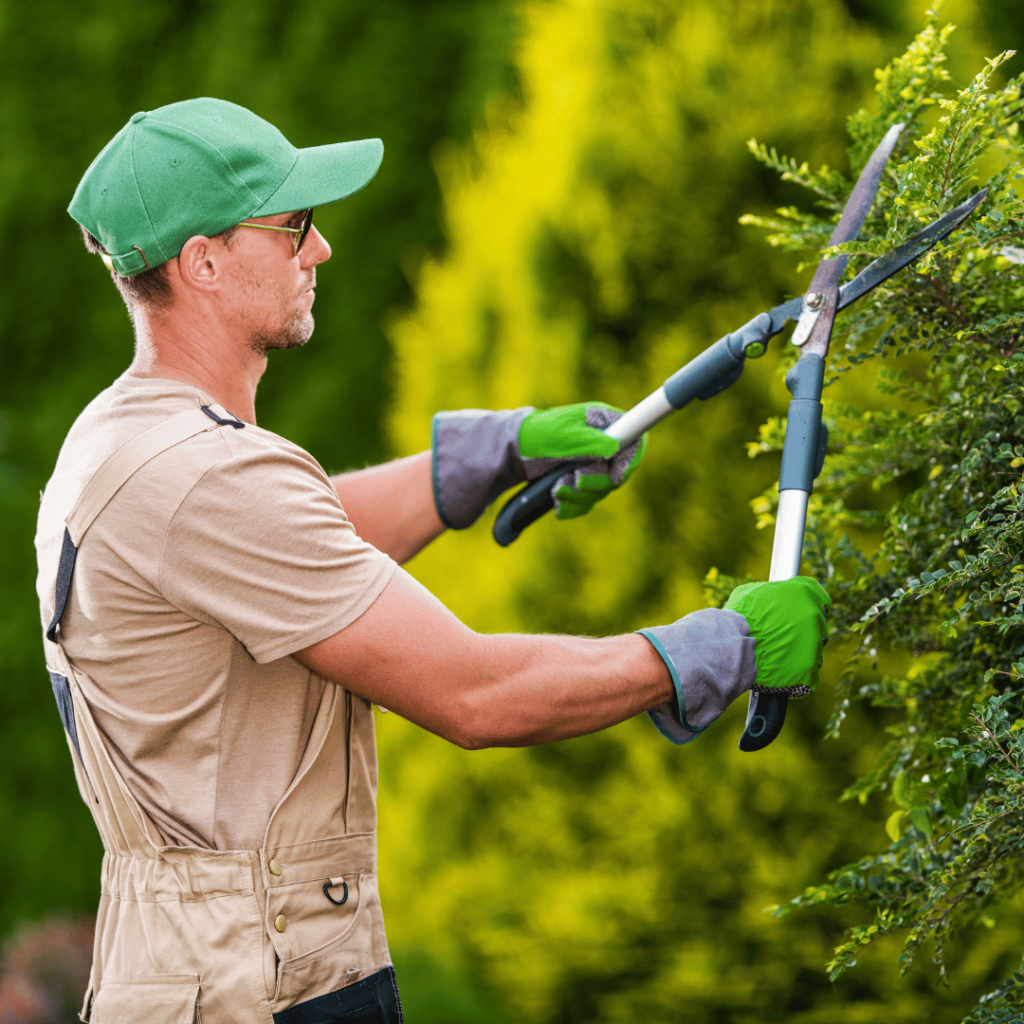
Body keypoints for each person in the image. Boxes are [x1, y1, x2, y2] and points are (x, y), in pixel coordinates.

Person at [35, 98, 829, 1024]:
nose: (319, 250)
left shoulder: (124, 440)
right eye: (292, 227)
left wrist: (494, 452)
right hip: (263, 989)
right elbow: (475, 695)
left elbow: (295, 543)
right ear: (203, 262)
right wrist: (717, 649)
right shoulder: (208, 475)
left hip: (192, 969)